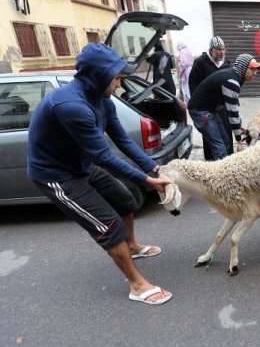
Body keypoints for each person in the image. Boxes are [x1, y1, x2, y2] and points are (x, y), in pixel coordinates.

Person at [27, 43, 173, 305]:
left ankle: (131, 246)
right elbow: (103, 156)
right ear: (99, 76)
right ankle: (138, 286)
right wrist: (148, 181)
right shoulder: (71, 105)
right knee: (109, 226)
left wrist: (153, 167)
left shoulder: (103, 100)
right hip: (57, 175)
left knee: (126, 200)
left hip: (81, 164)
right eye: (116, 78)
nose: (119, 84)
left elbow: (123, 141)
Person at [187, 53, 260, 160]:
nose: (255, 73)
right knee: (219, 148)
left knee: (226, 141)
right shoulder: (232, 81)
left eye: (256, 70)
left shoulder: (233, 76)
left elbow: (230, 109)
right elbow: (233, 114)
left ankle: (224, 168)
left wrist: (237, 126)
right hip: (200, 111)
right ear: (243, 67)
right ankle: (218, 175)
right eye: (252, 69)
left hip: (210, 109)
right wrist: (239, 141)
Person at [188, 36, 232, 159]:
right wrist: (199, 102)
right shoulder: (200, 63)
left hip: (221, 107)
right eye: (218, 49)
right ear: (211, 50)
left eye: (223, 49)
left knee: (225, 138)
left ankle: (227, 160)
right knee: (214, 140)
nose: (221, 52)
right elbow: (192, 83)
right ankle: (214, 164)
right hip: (205, 108)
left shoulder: (226, 64)